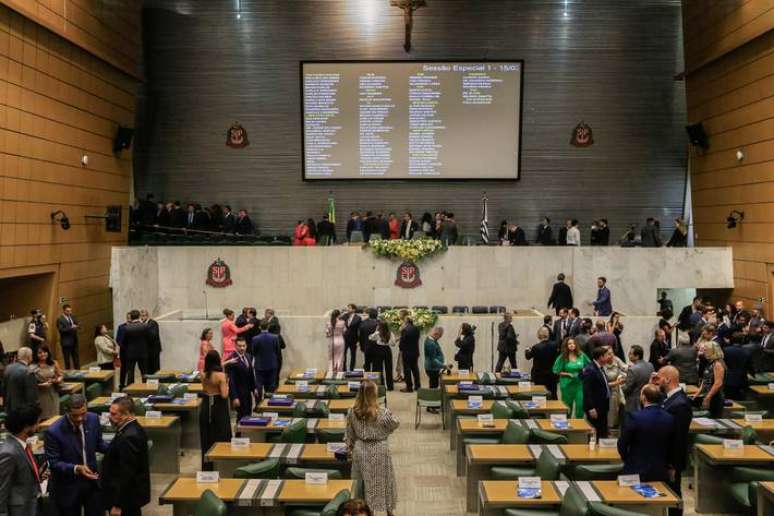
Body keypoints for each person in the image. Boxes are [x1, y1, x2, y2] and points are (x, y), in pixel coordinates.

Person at [45, 394, 108, 516]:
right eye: (75, 415)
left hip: (92, 480)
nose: (80, 419)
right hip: (68, 485)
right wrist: (77, 468)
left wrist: (116, 449)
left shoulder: (93, 419)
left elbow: (98, 443)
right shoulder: (53, 431)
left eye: (83, 414)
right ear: (66, 412)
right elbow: (54, 462)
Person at [345, 380, 399, 516]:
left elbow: (349, 434)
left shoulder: (352, 412)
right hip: (380, 449)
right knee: (385, 482)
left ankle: (368, 512)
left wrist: (349, 449)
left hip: (361, 449)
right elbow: (395, 423)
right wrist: (384, 432)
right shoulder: (382, 412)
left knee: (364, 485)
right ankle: (389, 512)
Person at [101, 397, 150, 516]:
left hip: (126, 500)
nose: (109, 417)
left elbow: (126, 473)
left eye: (113, 414)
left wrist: (118, 504)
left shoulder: (129, 436)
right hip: (129, 497)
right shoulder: (132, 428)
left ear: (126, 414)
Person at [655, 366, 693, 515]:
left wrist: (673, 465)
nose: (657, 381)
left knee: (674, 495)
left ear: (667, 379)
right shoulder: (669, 398)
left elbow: (679, 438)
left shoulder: (681, 404)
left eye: (659, 378)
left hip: (672, 460)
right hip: (663, 457)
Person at [618, 384, 674, 482]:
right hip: (660, 471)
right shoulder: (669, 418)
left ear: (643, 397)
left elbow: (622, 443)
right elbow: (673, 445)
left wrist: (627, 459)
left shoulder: (633, 417)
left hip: (635, 469)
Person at [0, 404, 43, 516]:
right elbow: (2, 490)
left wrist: (38, 475)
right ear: (26, 427)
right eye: (36, 423)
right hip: (19, 511)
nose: (38, 426)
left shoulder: (23, 445)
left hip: (30, 504)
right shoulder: (8, 452)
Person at [200, 350, 232, 470]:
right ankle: (223, 466)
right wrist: (228, 383)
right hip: (219, 407)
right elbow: (224, 395)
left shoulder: (203, 374)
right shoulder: (221, 376)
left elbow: (205, 390)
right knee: (222, 435)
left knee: (207, 438)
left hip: (206, 405)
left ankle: (208, 467)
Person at [552, 337, 589, 418]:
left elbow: (589, 366)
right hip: (567, 385)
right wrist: (567, 374)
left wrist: (584, 371)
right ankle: (567, 424)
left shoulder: (581, 355)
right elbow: (556, 370)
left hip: (579, 384)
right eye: (569, 344)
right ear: (566, 346)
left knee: (580, 405)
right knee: (568, 407)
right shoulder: (563, 357)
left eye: (573, 343)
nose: (572, 345)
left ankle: (579, 424)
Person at [582, 346, 613, 438]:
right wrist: (591, 408)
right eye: (607, 355)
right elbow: (587, 390)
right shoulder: (590, 370)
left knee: (602, 432)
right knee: (597, 433)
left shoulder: (600, 367)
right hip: (595, 407)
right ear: (601, 357)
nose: (609, 357)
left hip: (602, 405)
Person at [224, 336, 256, 422]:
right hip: (239, 393)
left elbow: (251, 374)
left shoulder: (248, 356)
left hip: (247, 393)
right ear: (235, 346)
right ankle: (238, 435)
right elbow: (231, 381)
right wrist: (234, 397)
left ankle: (246, 434)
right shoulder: (231, 360)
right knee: (241, 417)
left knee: (248, 414)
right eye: (239, 346)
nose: (242, 348)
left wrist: (254, 389)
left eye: (244, 346)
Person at [30, 345, 63, 420]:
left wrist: (57, 380)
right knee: (43, 417)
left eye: (45, 352)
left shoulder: (54, 363)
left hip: (52, 392)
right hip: (40, 394)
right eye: (40, 353)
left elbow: (60, 375)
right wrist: (40, 385)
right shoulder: (32, 366)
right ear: (36, 354)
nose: (43, 354)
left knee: (54, 416)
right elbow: (30, 383)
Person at [525, 327, 559, 399]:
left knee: (540, 395)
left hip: (539, 376)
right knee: (553, 394)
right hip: (552, 375)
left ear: (538, 335)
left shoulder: (536, 347)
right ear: (548, 335)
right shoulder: (555, 345)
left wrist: (527, 350)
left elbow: (528, 357)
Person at [694, 341, 726, 418]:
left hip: (715, 397)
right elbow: (705, 380)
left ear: (713, 351)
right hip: (708, 395)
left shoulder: (717, 364)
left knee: (714, 422)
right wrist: (697, 394)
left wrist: (708, 397)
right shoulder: (710, 362)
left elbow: (718, 383)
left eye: (705, 350)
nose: (703, 352)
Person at [2, 347, 38, 414]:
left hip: (9, 409)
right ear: (29, 357)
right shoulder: (28, 372)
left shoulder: (8, 368)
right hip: (23, 412)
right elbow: (32, 396)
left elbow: (3, 390)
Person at [250, 321, 280, 399]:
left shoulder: (255, 339)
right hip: (272, 365)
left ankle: (259, 405)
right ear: (268, 327)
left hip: (259, 366)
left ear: (259, 327)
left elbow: (253, 352)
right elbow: (277, 351)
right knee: (271, 386)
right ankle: (269, 404)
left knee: (259, 386)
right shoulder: (275, 337)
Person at [622, 345, 654, 415]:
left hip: (634, 402)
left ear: (637, 356)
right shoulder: (650, 365)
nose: (628, 355)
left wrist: (621, 384)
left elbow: (627, 388)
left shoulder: (632, 369)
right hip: (648, 399)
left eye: (630, 353)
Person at [122, 310, 149, 385]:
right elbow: (148, 338)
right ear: (139, 316)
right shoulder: (145, 326)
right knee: (144, 372)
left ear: (131, 317)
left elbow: (123, 342)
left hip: (130, 353)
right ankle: (146, 389)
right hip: (143, 352)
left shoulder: (126, 328)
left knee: (130, 372)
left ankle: (130, 390)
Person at [723, 333, 752, 400]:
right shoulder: (747, 352)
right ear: (742, 340)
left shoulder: (726, 350)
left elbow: (722, 364)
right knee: (740, 401)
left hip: (728, 379)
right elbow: (749, 366)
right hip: (741, 380)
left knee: (727, 401)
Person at [369, 319, 395, 391]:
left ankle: (381, 385)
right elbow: (393, 344)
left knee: (379, 369)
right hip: (387, 350)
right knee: (389, 368)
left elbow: (370, 338)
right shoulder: (390, 333)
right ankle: (390, 386)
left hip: (378, 350)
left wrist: (375, 331)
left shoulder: (377, 333)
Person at [603, 351, 627, 429]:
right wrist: (617, 382)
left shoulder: (616, 359)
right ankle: (609, 427)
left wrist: (622, 375)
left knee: (622, 406)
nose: (611, 355)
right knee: (610, 411)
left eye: (612, 353)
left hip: (617, 389)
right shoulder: (602, 365)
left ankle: (619, 425)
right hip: (607, 391)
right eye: (609, 354)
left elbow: (624, 368)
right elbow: (603, 384)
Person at [399, 314, 422, 393]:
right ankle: (418, 386)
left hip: (407, 353)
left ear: (407, 321)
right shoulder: (417, 329)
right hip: (415, 352)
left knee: (407, 370)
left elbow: (402, 342)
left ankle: (409, 387)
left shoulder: (404, 330)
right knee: (415, 369)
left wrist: (401, 348)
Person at [263, 308, 285, 386]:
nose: (264, 315)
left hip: (274, 355)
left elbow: (266, 327)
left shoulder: (274, 322)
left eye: (265, 314)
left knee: (274, 375)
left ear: (269, 314)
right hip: (274, 356)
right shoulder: (271, 321)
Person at [57, 304, 80, 369]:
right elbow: (61, 330)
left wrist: (78, 325)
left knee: (76, 358)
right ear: (64, 311)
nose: (69, 312)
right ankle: (68, 374)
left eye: (70, 311)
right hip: (66, 342)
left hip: (74, 341)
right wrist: (71, 327)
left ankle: (78, 373)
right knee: (67, 360)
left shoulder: (72, 316)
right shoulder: (60, 319)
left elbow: (77, 323)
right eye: (68, 311)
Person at [140, 309, 162, 374]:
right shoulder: (141, 324)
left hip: (153, 351)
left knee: (154, 369)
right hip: (145, 351)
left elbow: (153, 336)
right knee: (146, 369)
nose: (142, 317)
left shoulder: (153, 323)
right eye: (141, 316)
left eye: (143, 316)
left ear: (147, 316)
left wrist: (144, 327)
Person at [423, 327, 445, 391]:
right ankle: (432, 399)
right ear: (436, 334)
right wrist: (444, 366)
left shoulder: (432, 340)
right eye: (440, 336)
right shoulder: (431, 343)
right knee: (433, 387)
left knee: (434, 385)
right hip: (432, 368)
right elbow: (433, 360)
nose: (440, 338)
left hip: (433, 367)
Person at [343, 304, 362, 371]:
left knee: (353, 355)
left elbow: (359, 330)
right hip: (344, 339)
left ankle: (351, 370)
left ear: (354, 309)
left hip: (353, 339)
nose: (348, 309)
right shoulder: (344, 316)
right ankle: (344, 370)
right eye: (347, 307)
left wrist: (359, 340)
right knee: (343, 355)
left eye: (349, 308)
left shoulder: (358, 318)